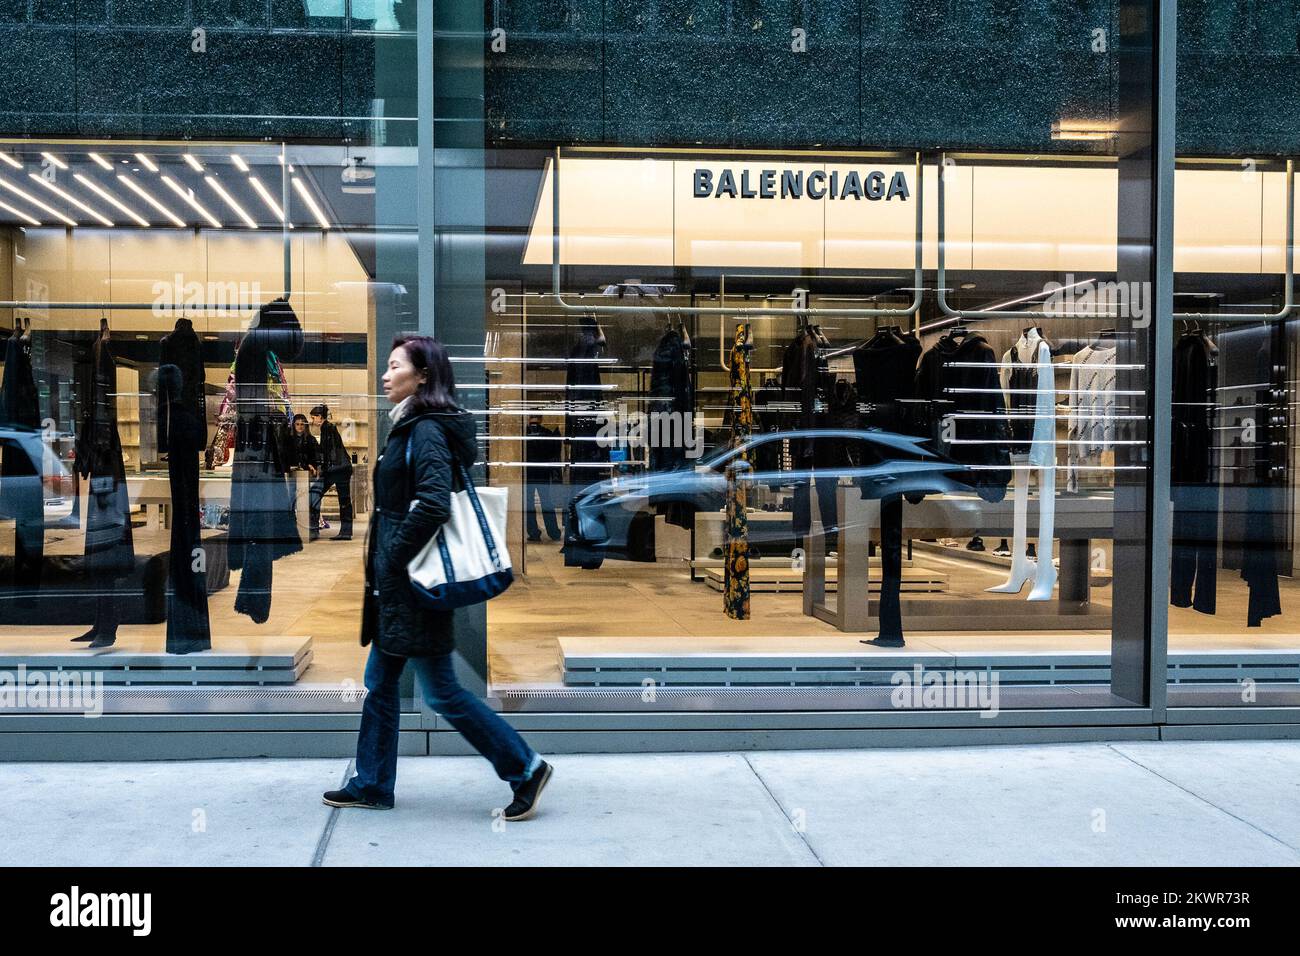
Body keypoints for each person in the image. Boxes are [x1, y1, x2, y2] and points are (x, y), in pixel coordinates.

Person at [323, 334, 553, 820]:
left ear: (423, 375)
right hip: (399, 583)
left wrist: (394, 556)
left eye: (394, 367)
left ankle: (525, 767)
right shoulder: (409, 425)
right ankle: (371, 783)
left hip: (413, 584)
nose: (384, 376)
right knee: (381, 684)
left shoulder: (425, 430)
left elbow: (433, 502)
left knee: (441, 691)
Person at [308, 404, 353, 541]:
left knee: (314, 494)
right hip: (342, 468)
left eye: (313, 417)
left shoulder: (327, 428)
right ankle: (346, 532)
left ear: (319, 417)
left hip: (336, 469)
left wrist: (322, 469)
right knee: (344, 500)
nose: (311, 420)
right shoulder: (329, 428)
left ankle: (313, 529)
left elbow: (328, 452)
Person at [524, 414, 562, 542]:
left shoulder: (524, 433)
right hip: (543, 473)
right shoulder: (547, 433)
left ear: (529, 419)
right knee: (547, 503)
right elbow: (553, 455)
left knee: (528, 505)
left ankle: (534, 533)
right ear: (541, 419)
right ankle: (553, 532)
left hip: (528, 473)